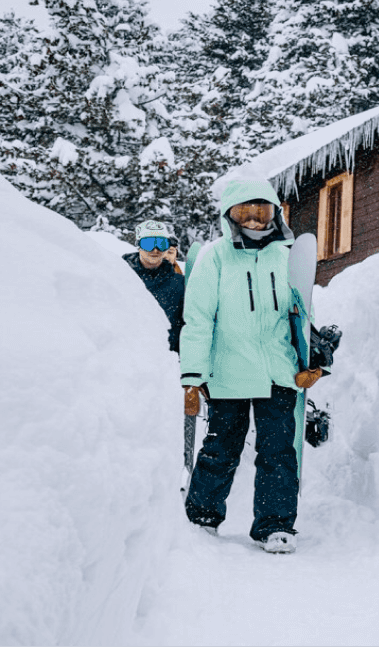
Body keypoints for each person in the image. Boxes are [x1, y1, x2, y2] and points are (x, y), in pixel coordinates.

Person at [180, 178, 311, 554]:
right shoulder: (215, 257)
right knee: (221, 447)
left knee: (278, 451)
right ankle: (202, 516)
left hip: (277, 372)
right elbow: (198, 320)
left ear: (275, 215)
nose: (254, 221)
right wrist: (193, 377)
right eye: (244, 213)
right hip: (229, 372)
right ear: (229, 216)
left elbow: (303, 317)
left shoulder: (286, 257)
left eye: (261, 212)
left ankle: (275, 525)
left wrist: (312, 362)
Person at [125, 220, 184, 353]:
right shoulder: (120, 276)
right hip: (128, 356)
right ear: (138, 245)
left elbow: (187, 326)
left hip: (167, 358)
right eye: (148, 243)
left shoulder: (180, 284)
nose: (155, 250)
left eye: (161, 244)